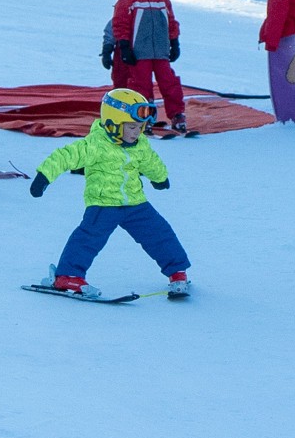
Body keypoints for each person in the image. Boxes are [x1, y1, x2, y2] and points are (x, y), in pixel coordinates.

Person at [29, 88, 190, 298]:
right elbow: (66, 156)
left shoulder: (139, 144)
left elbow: (151, 161)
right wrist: (44, 176)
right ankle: (67, 276)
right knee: (88, 238)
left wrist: (159, 178)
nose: (136, 132)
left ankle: (177, 272)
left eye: (140, 127)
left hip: (135, 203)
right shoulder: (95, 145)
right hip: (104, 203)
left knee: (159, 234)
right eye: (131, 127)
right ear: (112, 124)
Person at [112, 0, 187, 133]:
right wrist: (124, 46)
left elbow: (170, 20)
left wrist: (174, 41)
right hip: (140, 52)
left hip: (160, 52)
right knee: (141, 85)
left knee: (169, 82)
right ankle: (142, 117)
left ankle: (177, 115)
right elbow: (120, 23)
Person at [99, 0, 136, 90]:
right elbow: (110, 34)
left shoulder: (142, 15)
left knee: (139, 80)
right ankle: (119, 98)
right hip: (121, 55)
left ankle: (141, 100)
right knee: (120, 78)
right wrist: (106, 52)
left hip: (140, 53)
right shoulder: (117, 19)